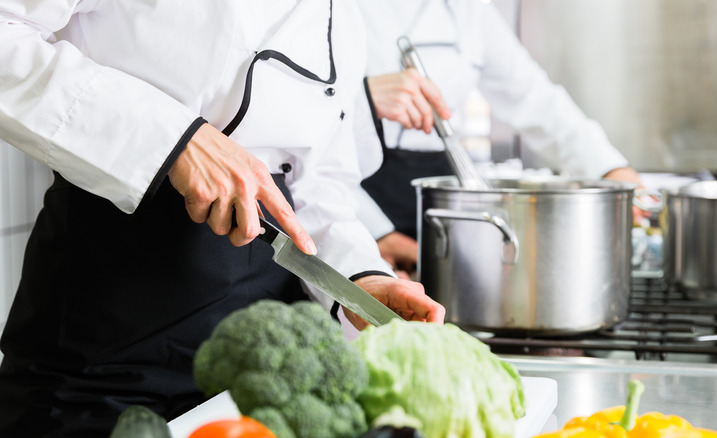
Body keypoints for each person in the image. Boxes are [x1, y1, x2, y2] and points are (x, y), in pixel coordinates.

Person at [0, 1, 444, 436]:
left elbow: (320, 181)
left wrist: (358, 280)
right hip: (107, 327)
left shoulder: (341, 15)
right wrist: (176, 140)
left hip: (264, 355)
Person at [353, 0, 646, 277]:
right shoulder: (332, 9)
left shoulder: (469, 9)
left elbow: (534, 98)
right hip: (354, 196)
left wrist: (607, 168)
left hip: (440, 199)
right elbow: (313, 155)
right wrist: (375, 233)